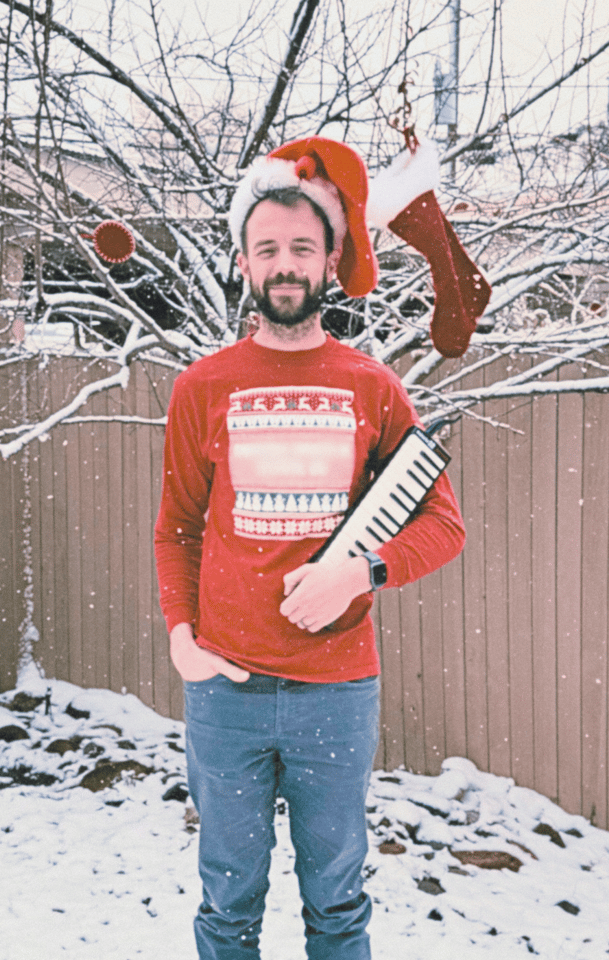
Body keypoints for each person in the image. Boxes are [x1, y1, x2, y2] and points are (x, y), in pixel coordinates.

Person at [153, 137, 467, 960]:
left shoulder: (371, 386)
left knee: (336, 902)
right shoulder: (202, 387)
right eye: (267, 249)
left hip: (336, 692)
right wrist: (183, 639)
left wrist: (360, 571)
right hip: (225, 690)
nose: (285, 264)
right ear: (244, 264)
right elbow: (178, 526)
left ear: (331, 261)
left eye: (302, 247)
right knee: (228, 901)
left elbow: (443, 525)